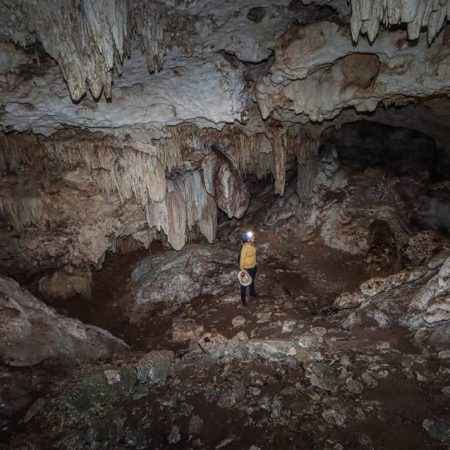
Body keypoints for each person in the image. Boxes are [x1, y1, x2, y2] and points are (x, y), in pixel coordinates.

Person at [239, 231, 258, 306]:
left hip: (253, 268)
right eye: (252, 237)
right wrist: (243, 271)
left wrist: (255, 265)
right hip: (246, 269)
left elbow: (253, 256)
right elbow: (241, 261)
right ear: (247, 239)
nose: (253, 237)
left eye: (253, 236)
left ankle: (252, 294)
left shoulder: (252, 245)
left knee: (252, 281)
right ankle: (243, 299)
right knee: (244, 284)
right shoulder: (245, 248)